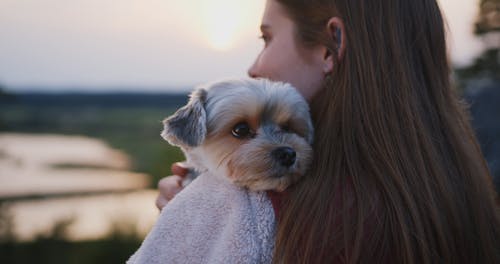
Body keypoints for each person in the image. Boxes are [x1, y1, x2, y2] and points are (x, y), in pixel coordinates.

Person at [156, 0, 500, 263]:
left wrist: (195, 216)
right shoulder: (456, 182)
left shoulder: (276, 213)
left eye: (267, 37)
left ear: (330, 44)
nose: (254, 67)